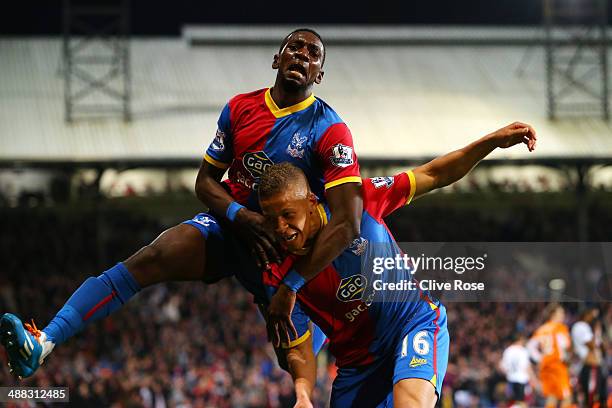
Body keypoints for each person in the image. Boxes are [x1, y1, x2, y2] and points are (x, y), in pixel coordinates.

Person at [0, 28, 362, 395]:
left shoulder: (329, 131)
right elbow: (205, 182)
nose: (301, 55)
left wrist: (291, 285)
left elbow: (348, 221)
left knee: (298, 368)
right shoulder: (240, 109)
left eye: (312, 53)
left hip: (283, 260)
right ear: (276, 58)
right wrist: (241, 216)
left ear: (319, 74)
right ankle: (43, 342)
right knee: (149, 257)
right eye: (294, 47)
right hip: (230, 230)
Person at [258, 121, 537, 407]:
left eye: (288, 214)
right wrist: (303, 394)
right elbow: (300, 348)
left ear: (310, 200)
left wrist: (491, 141)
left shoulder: (360, 201)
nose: (280, 227)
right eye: (270, 219)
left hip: (412, 324)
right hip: (358, 365)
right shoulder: (277, 272)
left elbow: (434, 173)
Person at [527, 304, 572, 408]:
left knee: (552, 396)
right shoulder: (560, 328)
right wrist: (566, 360)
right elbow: (564, 346)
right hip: (557, 366)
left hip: (545, 367)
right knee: (567, 397)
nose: (563, 315)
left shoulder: (542, 329)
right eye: (561, 312)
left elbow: (530, 347)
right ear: (553, 314)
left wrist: (540, 359)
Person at [571, 307, 607, 407]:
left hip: (595, 366)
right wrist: (597, 332)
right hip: (588, 365)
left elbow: (602, 346)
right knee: (590, 396)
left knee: (600, 396)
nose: (594, 317)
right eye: (592, 314)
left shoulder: (587, 328)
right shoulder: (581, 326)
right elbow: (592, 345)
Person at [499, 334, 537, 407]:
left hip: (511, 380)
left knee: (514, 402)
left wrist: (509, 374)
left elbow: (502, 367)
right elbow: (526, 367)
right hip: (522, 380)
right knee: (521, 403)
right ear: (520, 339)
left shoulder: (508, 350)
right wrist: (534, 381)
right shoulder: (522, 350)